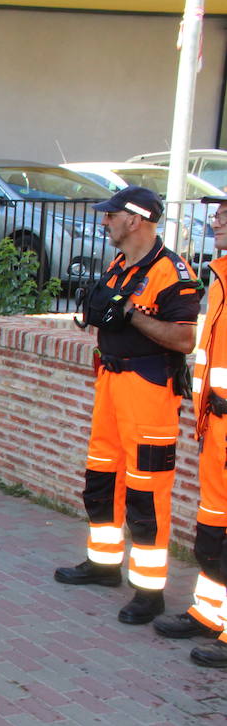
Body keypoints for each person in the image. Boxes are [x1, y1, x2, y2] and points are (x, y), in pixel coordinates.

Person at [54, 186, 199, 625]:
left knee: (146, 494)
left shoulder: (172, 272)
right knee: (101, 478)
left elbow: (185, 339)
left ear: (134, 220)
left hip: (150, 390)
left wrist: (133, 315)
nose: (104, 221)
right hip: (112, 383)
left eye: (110, 215)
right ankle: (103, 564)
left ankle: (149, 592)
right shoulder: (120, 264)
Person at [154, 194, 227, 664]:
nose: (217, 218)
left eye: (226, 211)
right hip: (215, 425)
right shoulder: (221, 275)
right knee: (215, 528)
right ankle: (211, 612)